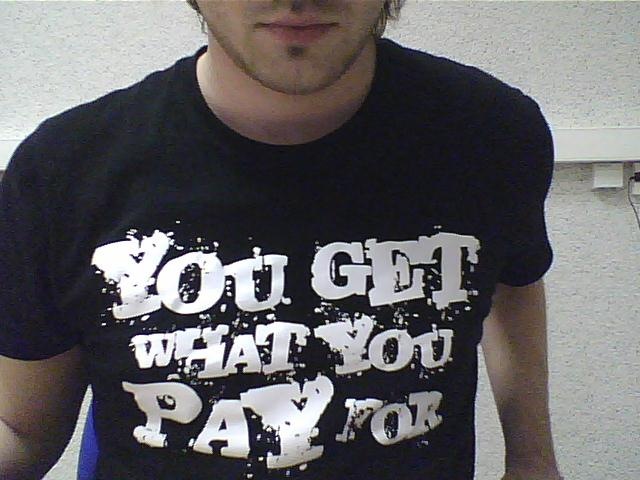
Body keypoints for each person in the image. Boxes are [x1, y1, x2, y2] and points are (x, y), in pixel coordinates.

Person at [0, 1, 564, 479]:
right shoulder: (65, 171)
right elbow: (22, 432)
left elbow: (510, 279)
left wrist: (532, 459)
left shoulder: (490, 135)